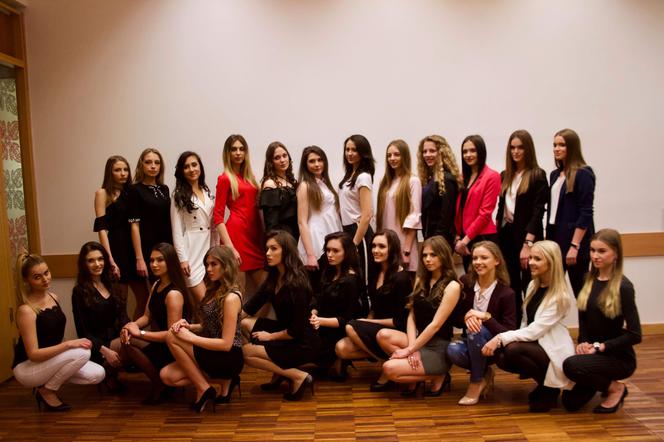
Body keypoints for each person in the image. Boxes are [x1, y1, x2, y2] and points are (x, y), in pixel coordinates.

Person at [482, 240, 575, 412]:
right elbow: (526, 322)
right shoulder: (533, 285)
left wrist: (500, 338)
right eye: (531, 257)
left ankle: (550, 389)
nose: (530, 262)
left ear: (551, 262)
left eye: (537, 259)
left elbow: (534, 330)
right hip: (536, 344)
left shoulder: (560, 296)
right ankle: (545, 385)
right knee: (502, 356)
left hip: (552, 347)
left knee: (512, 349)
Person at [12, 253, 105, 412]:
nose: (45, 279)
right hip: (27, 367)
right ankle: (47, 391)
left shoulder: (54, 297)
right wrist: (69, 345)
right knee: (82, 353)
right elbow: (33, 354)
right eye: (37, 277)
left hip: (49, 361)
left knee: (98, 374)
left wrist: (67, 347)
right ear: (27, 280)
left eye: (46, 273)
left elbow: (55, 336)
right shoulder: (26, 310)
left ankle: (46, 384)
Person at [562, 229, 641, 413]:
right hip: (593, 352)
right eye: (592, 250)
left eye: (602, 251)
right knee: (570, 403)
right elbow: (583, 317)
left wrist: (600, 347)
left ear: (616, 254)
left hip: (618, 357)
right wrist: (583, 342)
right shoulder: (587, 280)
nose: (595, 256)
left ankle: (616, 388)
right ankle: (601, 382)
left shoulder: (624, 287)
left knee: (571, 365)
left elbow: (635, 334)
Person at [160, 246, 244, 412]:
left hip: (228, 357)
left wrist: (191, 338)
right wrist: (189, 326)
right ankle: (223, 381)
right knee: (167, 376)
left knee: (171, 335)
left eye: (214, 264)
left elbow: (226, 344)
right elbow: (210, 325)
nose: (208, 269)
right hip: (212, 351)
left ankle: (204, 389)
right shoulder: (214, 290)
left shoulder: (231, 297)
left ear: (226, 265)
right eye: (207, 264)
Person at [241, 230, 320, 401]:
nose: (268, 253)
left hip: (302, 341)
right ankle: (278, 373)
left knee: (246, 353)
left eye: (274, 248)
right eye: (267, 249)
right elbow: (250, 307)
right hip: (286, 330)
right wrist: (223, 319)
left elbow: (296, 330)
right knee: (244, 324)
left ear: (286, 250)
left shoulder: (297, 283)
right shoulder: (274, 276)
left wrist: (270, 336)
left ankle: (298, 376)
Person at [378, 236, 461, 397]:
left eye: (433, 255)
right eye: (424, 255)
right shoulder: (421, 279)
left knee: (389, 369)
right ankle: (416, 373)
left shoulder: (452, 286)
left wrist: (410, 349)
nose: (427, 259)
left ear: (443, 255)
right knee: (383, 335)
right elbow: (412, 316)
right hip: (419, 341)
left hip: (438, 346)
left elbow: (436, 325)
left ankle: (439, 375)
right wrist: (412, 348)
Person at [336, 229, 412, 390]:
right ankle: (389, 362)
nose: (376, 250)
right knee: (341, 348)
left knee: (350, 326)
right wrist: (367, 322)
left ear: (392, 249)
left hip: (397, 329)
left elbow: (401, 320)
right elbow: (375, 307)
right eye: (374, 246)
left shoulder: (402, 278)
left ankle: (389, 368)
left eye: (382, 246)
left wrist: (367, 323)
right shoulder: (376, 272)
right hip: (378, 326)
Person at [121, 242, 192, 405]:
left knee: (130, 342)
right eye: (152, 260)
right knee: (126, 338)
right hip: (162, 342)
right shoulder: (156, 284)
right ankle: (157, 382)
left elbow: (172, 335)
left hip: (174, 347)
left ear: (170, 262)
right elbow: (146, 317)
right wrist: (131, 326)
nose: (154, 264)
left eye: (160, 260)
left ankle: (159, 385)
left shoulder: (173, 294)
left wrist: (141, 333)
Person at [446, 241, 516, 405]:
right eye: (475, 258)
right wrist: (466, 317)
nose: (478, 262)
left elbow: (509, 331)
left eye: (484, 258)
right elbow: (454, 318)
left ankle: (475, 382)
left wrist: (486, 317)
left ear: (497, 260)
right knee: (452, 350)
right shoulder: (465, 282)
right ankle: (485, 373)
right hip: (470, 342)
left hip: (493, 347)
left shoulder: (506, 293)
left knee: (475, 328)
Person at [496, 130, 549, 322]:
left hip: (527, 237)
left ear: (528, 149)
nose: (516, 151)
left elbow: (538, 212)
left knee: (530, 284)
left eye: (520, 147)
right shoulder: (505, 175)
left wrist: (528, 244)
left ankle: (533, 325)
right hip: (507, 236)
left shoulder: (537, 175)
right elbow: (501, 208)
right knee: (510, 284)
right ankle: (514, 326)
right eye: (512, 148)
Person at [72, 242, 130, 393]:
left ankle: (111, 374)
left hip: (116, 337)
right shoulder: (79, 291)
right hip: (97, 345)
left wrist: (126, 330)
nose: (97, 264)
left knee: (134, 337)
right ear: (84, 264)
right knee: (136, 341)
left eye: (100, 259)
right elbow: (82, 331)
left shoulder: (112, 282)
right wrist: (104, 350)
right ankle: (157, 382)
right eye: (91, 260)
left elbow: (123, 315)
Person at [94, 155, 148, 319]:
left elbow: (136, 223)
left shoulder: (132, 192)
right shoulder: (103, 193)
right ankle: (122, 334)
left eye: (125, 170)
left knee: (145, 300)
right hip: (116, 249)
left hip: (134, 248)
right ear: (109, 173)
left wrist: (140, 256)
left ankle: (134, 331)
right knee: (120, 303)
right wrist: (110, 259)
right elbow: (101, 229)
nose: (123, 173)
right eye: (117, 170)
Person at [213, 134, 266, 295]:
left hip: (254, 237)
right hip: (236, 238)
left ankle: (253, 316)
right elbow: (218, 217)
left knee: (266, 291)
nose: (238, 153)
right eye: (234, 149)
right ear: (227, 153)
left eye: (241, 149)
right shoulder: (224, 178)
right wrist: (230, 247)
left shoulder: (251, 178)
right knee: (238, 294)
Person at [309, 232, 365, 379]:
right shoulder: (329, 271)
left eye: (335, 251)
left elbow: (347, 320)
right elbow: (318, 298)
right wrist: (314, 312)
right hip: (322, 325)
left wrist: (319, 321)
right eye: (328, 250)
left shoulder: (351, 281)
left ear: (346, 253)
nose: (330, 255)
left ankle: (337, 359)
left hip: (338, 330)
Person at [547, 128, 595, 297]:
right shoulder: (554, 175)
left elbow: (586, 212)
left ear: (572, 147)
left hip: (574, 240)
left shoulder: (583, 173)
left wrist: (575, 246)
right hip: (555, 238)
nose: (556, 149)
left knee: (581, 293)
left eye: (562, 145)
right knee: (552, 293)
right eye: (555, 145)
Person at [128, 148, 172, 317]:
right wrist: (139, 258)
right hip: (148, 250)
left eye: (157, 162)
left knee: (167, 296)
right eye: (148, 162)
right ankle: (143, 332)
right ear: (141, 165)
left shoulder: (164, 189)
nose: (153, 166)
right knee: (151, 301)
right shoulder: (135, 190)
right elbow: (134, 226)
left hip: (166, 248)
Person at [171, 151, 218, 305]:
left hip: (209, 249)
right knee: (206, 304)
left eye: (194, 165)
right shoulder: (178, 195)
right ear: (181, 171)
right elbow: (177, 231)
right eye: (186, 167)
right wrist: (183, 259)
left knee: (206, 304)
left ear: (200, 167)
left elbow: (214, 226)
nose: (191, 169)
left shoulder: (207, 191)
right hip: (191, 251)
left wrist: (216, 250)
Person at [296, 146, 342, 291]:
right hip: (316, 238)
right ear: (305, 165)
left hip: (332, 232)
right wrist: (310, 255)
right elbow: (302, 222)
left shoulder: (325, 183)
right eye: (312, 161)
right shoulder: (305, 186)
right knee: (319, 285)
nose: (317, 164)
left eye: (320, 160)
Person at [454, 135, 501, 271]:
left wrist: (465, 241)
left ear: (481, 151)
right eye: (465, 151)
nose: (468, 155)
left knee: (485, 280)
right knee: (469, 280)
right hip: (464, 240)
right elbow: (459, 210)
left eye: (472, 150)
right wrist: (458, 237)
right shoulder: (462, 178)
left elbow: (485, 214)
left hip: (483, 238)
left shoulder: (492, 176)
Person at [376, 139, 422, 272]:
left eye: (396, 154)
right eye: (389, 155)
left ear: (404, 156)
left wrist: (406, 251)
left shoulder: (413, 181)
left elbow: (414, 217)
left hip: (403, 245)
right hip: (386, 245)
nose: (392, 158)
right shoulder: (385, 183)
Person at [339, 134, 375, 284]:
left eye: (354, 150)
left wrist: (354, 244)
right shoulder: (349, 175)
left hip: (359, 232)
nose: (349, 153)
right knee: (352, 278)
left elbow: (367, 215)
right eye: (347, 149)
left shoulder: (363, 176)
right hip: (347, 231)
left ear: (363, 152)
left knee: (364, 278)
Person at [417, 135, 462, 247]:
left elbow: (446, 217)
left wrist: (436, 242)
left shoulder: (447, 179)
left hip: (440, 241)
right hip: (429, 238)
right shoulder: (429, 179)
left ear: (442, 153)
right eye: (424, 151)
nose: (427, 155)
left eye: (432, 151)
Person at [259, 141, 299, 240]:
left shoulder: (291, 181)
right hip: (283, 238)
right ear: (271, 162)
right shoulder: (270, 184)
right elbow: (271, 224)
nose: (282, 160)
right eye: (277, 158)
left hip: (296, 234)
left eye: (285, 156)